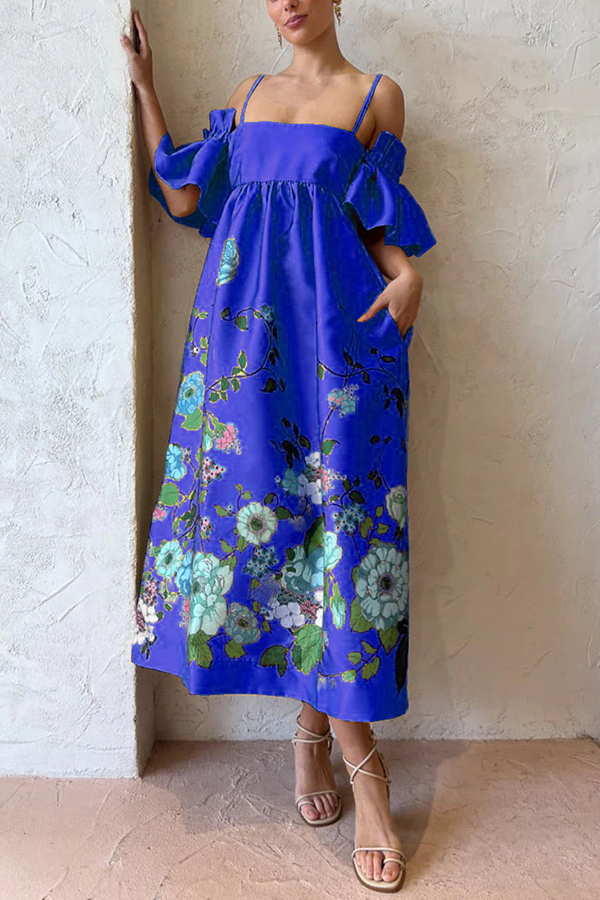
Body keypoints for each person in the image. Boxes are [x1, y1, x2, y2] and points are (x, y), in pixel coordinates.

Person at [121, 1, 436, 892]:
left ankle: (341, 752)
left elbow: (375, 224)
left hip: (340, 342)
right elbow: (187, 198)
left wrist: (408, 273)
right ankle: (325, 740)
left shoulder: (378, 95)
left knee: (343, 533)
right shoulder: (250, 91)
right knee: (259, 526)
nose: (289, 1)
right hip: (242, 349)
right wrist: (146, 89)